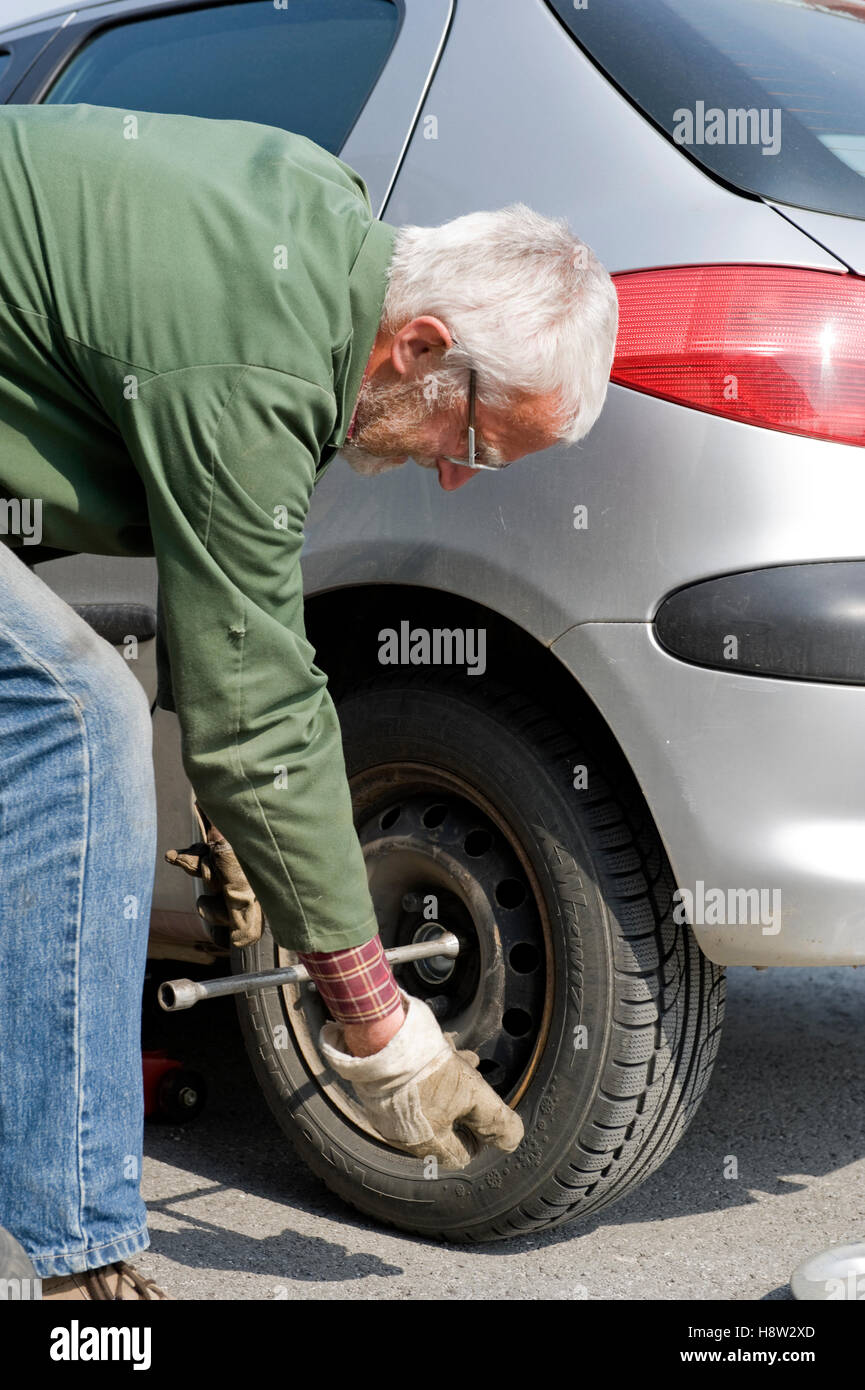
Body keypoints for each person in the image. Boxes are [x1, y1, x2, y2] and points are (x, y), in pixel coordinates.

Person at [0, 103, 619, 1300]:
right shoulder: (254, 350)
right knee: (78, 720)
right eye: (476, 442)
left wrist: (244, 821)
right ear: (419, 344)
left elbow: (227, 615)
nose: (450, 473)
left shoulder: (319, 231)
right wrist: (379, 1027)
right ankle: (84, 1282)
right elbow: (255, 705)